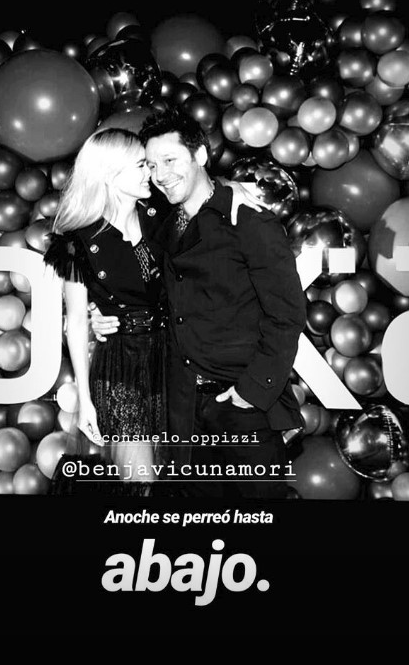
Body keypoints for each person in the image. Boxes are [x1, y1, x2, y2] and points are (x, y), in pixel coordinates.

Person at [93, 110, 307, 498]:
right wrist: (101, 315)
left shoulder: (249, 221)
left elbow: (287, 314)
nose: (160, 174)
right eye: (151, 165)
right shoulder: (160, 222)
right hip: (183, 409)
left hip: (243, 406)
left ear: (201, 156)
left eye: (170, 160)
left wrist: (251, 391)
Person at [44, 125, 260, 487]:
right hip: (121, 369)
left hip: (174, 360)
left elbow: (203, 192)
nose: (152, 173)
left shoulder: (162, 214)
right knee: (141, 483)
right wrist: (85, 399)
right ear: (110, 174)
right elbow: (77, 323)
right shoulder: (76, 243)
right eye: (142, 165)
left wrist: (232, 188)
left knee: (182, 480)